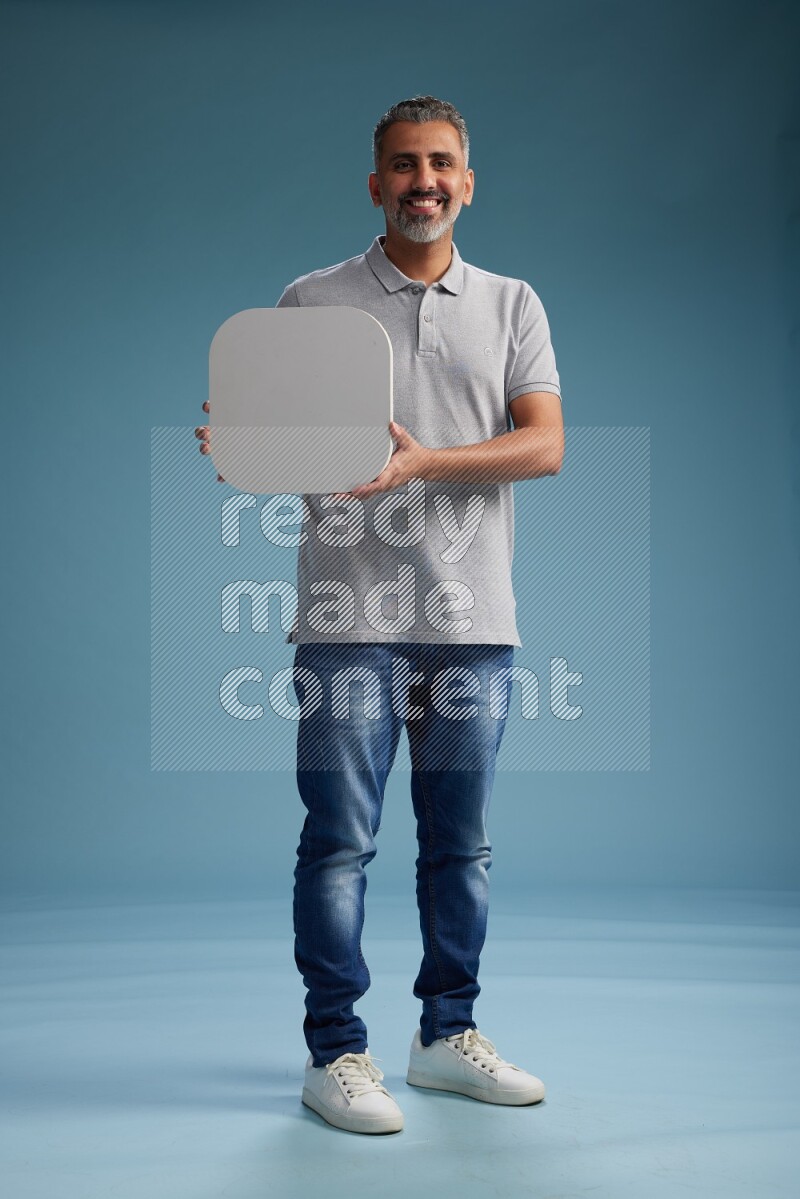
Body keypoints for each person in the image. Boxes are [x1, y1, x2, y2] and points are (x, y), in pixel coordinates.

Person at [196, 96, 564, 1136]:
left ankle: (445, 1035)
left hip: (471, 616)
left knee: (463, 846)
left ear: (467, 181)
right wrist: (234, 446)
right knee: (338, 843)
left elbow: (542, 445)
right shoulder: (309, 302)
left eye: (440, 163)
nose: (422, 181)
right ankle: (337, 1052)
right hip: (345, 613)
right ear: (375, 184)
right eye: (402, 164)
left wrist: (425, 459)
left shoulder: (511, 303)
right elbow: (267, 448)